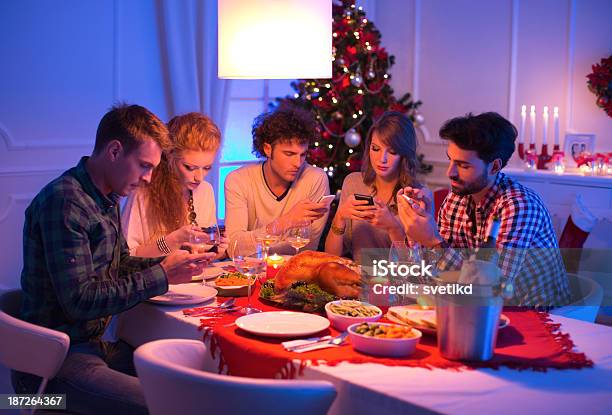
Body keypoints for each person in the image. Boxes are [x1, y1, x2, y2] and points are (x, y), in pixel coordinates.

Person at [13, 104, 215, 415]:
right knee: (173, 402)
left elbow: (119, 264)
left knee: (198, 378)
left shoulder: (104, 196)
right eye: (144, 166)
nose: (149, 178)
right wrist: (161, 275)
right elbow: (80, 301)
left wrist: (169, 265)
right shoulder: (66, 202)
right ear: (115, 151)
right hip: (50, 366)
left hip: (92, 346)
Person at [397, 112, 571, 307]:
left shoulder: (519, 206)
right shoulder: (457, 197)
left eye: (463, 165)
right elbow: (439, 279)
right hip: (477, 310)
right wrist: (418, 228)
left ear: (494, 166)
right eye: (450, 161)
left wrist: (432, 240)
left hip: (537, 316)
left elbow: (489, 290)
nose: (450, 173)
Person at [224, 106, 330, 256]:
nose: (298, 163)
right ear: (267, 149)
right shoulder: (238, 180)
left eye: (303, 154)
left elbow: (307, 248)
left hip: (294, 271)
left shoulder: (315, 179)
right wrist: (286, 222)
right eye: (289, 154)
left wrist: (256, 243)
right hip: (251, 271)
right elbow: (234, 247)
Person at [122, 112, 228, 259]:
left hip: (195, 279)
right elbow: (128, 256)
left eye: (207, 168)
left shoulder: (205, 190)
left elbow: (200, 252)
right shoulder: (143, 191)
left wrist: (215, 252)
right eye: (190, 167)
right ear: (170, 156)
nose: (199, 177)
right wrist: (173, 241)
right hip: (158, 280)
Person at [325, 112, 419, 262]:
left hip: (397, 282)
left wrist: (393, 228)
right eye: (376, 149)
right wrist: (339, 217)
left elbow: (414, 268)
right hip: (358, 280)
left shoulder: (417, 195)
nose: (382, 159)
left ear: (404, 155)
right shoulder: (353, 182)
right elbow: (331, 257)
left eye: (392, 152)